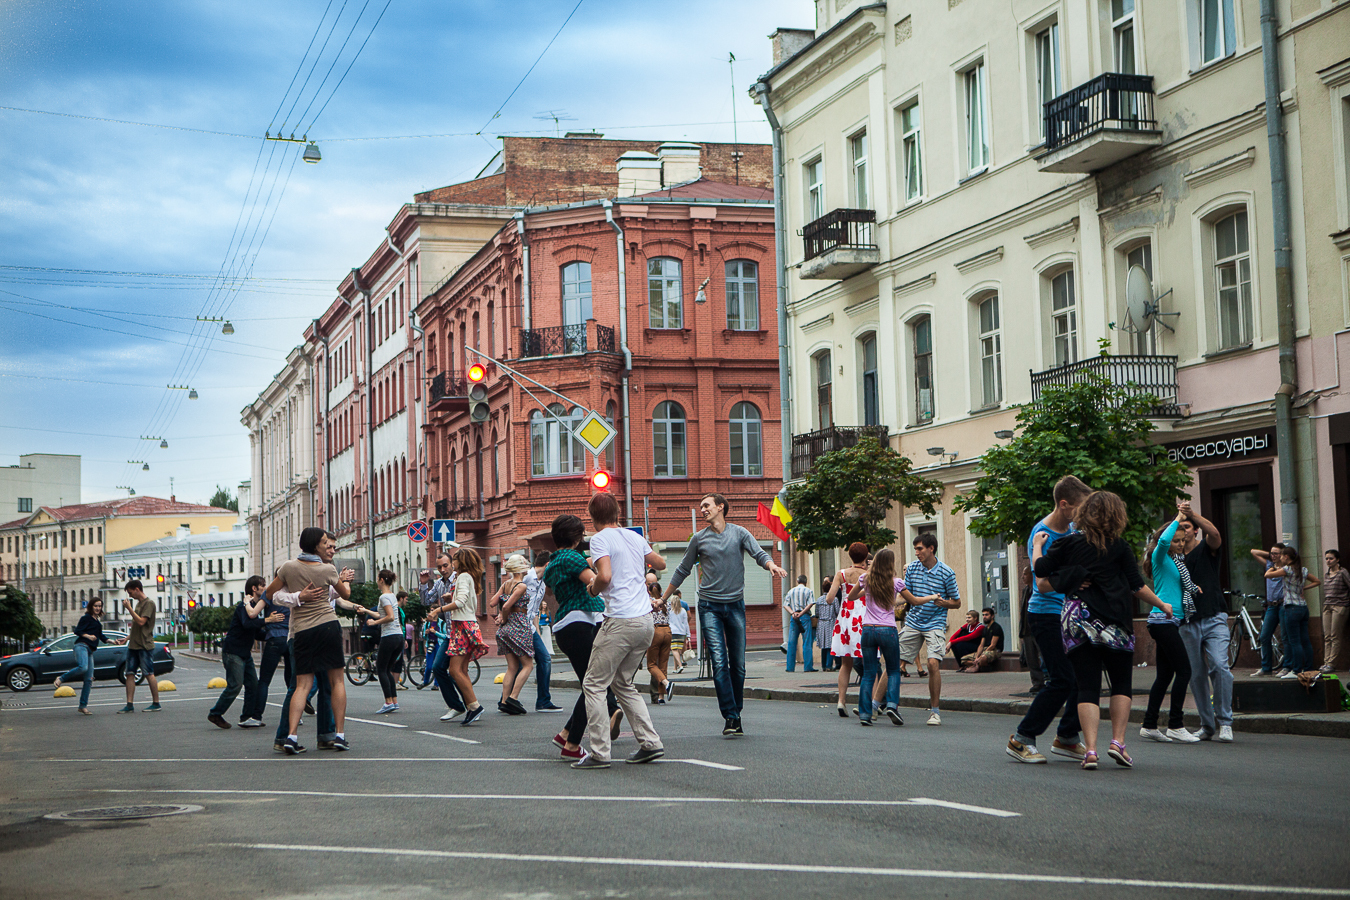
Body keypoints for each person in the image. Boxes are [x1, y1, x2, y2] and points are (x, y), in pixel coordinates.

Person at [1034, 491, 1172, 769]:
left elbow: (1040, 569)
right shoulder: (1120, 547)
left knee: (1087, 687)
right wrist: (1162, 604)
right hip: (1114, 621)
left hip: (1078, 621)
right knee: (1121, 684)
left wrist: (1038, 544)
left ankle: (1091, 751)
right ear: (1116, 516)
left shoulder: (1067, 543)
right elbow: (1136, 585)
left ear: (1084, 513)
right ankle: (1118, 742)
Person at [662, 493, 787, 737]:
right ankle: (731, 716)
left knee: (738, 665)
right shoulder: (699, 539)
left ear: (721, 507)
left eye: (706, 505)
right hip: (710, 607)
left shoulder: (739, 533)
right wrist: (663, 598)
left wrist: (771, 565)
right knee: (719, 661)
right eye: (701, 507)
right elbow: (682, 569)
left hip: (735, 606)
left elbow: (759, 553)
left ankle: (735, 712)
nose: (702, 510)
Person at [573, 491, 666, 769]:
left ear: (592, 517)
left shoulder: (600, 539)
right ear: (617, 513)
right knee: (623, 683)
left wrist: (593, 588)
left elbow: (604, 576)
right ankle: (651, 743)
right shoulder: (633, 537)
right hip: (644, 622)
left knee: (593, 684)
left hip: (620, 621)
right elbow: (660, 563)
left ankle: (600, 752)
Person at [1006, 475, 1093, 765]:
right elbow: (1041, 584)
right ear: (1064, 504)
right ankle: (1021, 739)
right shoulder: (1041, 534)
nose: (1083, 514)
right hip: (1045, 615)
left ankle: (1067, 737)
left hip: (1069, 614)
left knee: (1082, 677)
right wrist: (1070, 581)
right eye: (1080, 508)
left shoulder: (1072, 530)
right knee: (1061, 680)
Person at [264, 527, 358, 754]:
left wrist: (298, 596)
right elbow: (344, 595)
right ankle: (340, 735)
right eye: (325, 542)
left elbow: (269, 594)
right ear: (316, 545)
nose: (328, 546)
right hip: (327, 626)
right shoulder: (327, 569)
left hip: (302, 630)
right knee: (337, 681)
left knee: (302, 685)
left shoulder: (288, 567)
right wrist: (344, 581)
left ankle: (291, 736)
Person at [544, 514, 620, 761]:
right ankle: (577, 740)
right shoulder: (571, 558)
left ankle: (567, 733)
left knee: (590, 683)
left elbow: (579, 569)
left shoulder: (555, 561)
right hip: (581, 623)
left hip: (567, 625)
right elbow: (595, 581)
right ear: (577, 537)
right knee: (596, 683)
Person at [846, 548, 935, 726]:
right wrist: (933, 596)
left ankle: (865, 714)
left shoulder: (866, 579)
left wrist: (868, 591)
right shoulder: (896, 582)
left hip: (868, 630)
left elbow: (851, 596)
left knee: (869, 673)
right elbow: (914, 601)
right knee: (894, 669)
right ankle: (892, 706)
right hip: (887, 630)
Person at [1139, 510, 1200, 744]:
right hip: (1162, 621)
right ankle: (1175, 725)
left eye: (1183, 540)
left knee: (1164, 676)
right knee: (1185, 671)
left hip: (1170, 622)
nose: (1181, 544)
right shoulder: (1160, 556)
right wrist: (1178, 517)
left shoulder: (1176, 562)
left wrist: (1194, 588)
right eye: (1177, 540)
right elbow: (1164, 540)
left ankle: (1149, 725)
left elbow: (1181, 585)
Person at [1177, 501, 1234, 742]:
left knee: (1220, 666)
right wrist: (1178, 518)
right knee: (1196, 674)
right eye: (1182, 527)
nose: (1185, 530)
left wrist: (1192, 514)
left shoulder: (1206, 548)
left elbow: (1216, 533)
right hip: (1187, 622)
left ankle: (1225, 722)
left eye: (1188, 527)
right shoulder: (1173, 557)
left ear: (1195, 529)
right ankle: (1207, 725)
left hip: (1214, 616)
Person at [899, 533, 961, 726]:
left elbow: (957, 603)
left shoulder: (946, 572)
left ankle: (935, 712)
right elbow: (906, 595)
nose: (916, 552)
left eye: (920, 548)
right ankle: (876, 704)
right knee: (895, 661)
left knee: (933, 663)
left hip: (935, 622)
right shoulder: (912, 569)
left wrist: (944, 603)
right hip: (914, 621)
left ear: (931, 548)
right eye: (915, 549)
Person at [208, 577, 269, 728]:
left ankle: (246, 717)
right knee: (235, 685)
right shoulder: (244, 606)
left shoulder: (255, 606)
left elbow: (254, 632)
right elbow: (248, 624)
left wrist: (272, 635)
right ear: (254, 589)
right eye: (263, 586)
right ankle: (215, 713)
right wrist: (267, 621)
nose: (265, 588)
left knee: (253, 685)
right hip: (233, 652)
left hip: (244, 653)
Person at [443, 547, 491, 725]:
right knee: (461, 670)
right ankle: (472, 706)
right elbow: (464, 599)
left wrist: (439, 609)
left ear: (460, 561)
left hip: (462, 626)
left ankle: (475, 706)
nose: (452, 562)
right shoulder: (468, 577)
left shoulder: (463, 576)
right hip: (466, 624)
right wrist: (452, 597)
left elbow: (461, 602)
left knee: (455, 670)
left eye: (454, 559)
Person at [825, 543, 869, 715]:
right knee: (868, 663)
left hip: (845, 619)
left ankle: (841, 701)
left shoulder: (841, 574)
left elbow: (829, 599)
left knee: (845, 664)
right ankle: (866, 702)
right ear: (866, 557)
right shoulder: (869, 575)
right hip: (865, 618)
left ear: (850, 556)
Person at [54, 597, 116, 713]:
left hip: (90, 650)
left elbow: (101, 636)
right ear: (91, 606)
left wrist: (113, 641)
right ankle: (61, 678)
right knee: (83, 667)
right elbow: (77, 631)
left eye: (99, 606)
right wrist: (88, 636)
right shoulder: (86, 618)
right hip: (81, 646)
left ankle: (82, 706)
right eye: (96, 606)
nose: (98, 608)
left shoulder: (97, 621)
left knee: (89, 679)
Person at [491, 555, 536, 715]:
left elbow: (492, 602)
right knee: (528, 664)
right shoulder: (521, 586)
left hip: (504, 631)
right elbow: (506, 606)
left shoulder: (505, 584)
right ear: (521, 568)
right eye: (525, 564)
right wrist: (503, 616)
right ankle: (513, 698)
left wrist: (503, 618)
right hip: (518, 625)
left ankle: (504, 701)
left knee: (512, 666)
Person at [424, 554, 466, 721]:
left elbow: (465, 600)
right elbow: (426, 600)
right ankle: (458, 705)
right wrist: (424, 583)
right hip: (450, 634)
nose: (443, 570)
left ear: (452, 565)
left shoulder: (460, 579)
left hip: (462, 631)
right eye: (440, 567)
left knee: (458, 672)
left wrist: (448, 602)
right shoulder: (440, 583)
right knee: (439, 668)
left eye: (445, 565)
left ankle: (472, 706)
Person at [1267, 545, 1319, 678]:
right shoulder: (1303, 570)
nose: (1280, 558)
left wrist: (1274, 566)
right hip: (1303, 607)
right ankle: (1308, 668)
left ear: (1286, 557)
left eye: (1282, 556)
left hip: (1291, 608)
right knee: (1305, 640)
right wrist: (1304, 589)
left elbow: (1267, 574)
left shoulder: (1286, 570)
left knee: (1294, 641)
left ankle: (1296, 670)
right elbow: (1317, 581)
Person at [358, 569, 403, 713]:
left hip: (389, 636)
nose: (377, 581)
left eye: (378, 578)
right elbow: (381, 614)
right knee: (387, 669)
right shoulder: (391, 596)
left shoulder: (384, 597)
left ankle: (388, 701)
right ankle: (394, 701)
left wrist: (374, 624)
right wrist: (366, 611)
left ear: (381, 580)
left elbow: (389, 617)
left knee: (381, 669)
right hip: (398, 637)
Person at [524, 551, 562, 711]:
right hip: (519, 624)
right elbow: (508, 592)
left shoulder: (543, 582)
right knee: (523, 664)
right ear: (547, 565)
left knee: (540, 659)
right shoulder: (527, 576)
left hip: (530, 626)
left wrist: (537, 633)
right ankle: (542, 701)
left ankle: (542, 701)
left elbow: (534, 610)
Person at [119, 579, 162, 713]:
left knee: (149, 673)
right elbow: (136, 626)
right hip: (133, 645)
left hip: (144, 645)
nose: (130, 595)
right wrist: (127, 638)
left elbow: (142, 622)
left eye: (131, 592)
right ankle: (129, 704)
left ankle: (156, 703)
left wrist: (129, 608)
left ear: (137, 589)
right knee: (130, 674)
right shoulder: (138, 604)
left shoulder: (149, 604)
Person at [252, 583, 292, 721]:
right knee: (292, 682)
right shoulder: (295, 593)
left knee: (264, 680)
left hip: (275, 638)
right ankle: (295, 716)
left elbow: (253, 614)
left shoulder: (270, 593)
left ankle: (256, 716)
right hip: (291, 639)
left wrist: (247, 603)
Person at [1248, 544, 1286, 676]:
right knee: (1264, 636)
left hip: (1282, 604)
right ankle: (1266, 668)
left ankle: (1287, 667)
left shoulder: (1286, 568)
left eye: (1276, 553)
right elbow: (1254, 551)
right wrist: (1271, 555)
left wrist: (1280, 555)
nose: (1273, 556)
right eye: (1272, 553)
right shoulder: (1269, 565)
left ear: (1283, 554)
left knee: (1285, 636)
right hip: (1271, 606)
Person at [1016, 565, 1045, 694]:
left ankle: (1049, 679)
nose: (1022, 577)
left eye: (1025, 574)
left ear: (1032, 576)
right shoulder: (1025, 590)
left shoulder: (1038, 590)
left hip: (1038, 628)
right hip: (1027, 630)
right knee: (1031, 659)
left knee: (1044, 656)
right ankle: (1037, 683)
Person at [646, 579, 675, 703]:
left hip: (656, 630)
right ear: (661, 590)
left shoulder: (649, 602)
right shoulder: (666, 603)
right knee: (663, 664)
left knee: (651, 664)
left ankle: (667, 684)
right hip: (667, 631)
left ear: (649, 591)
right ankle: (661, 696)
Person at [1322, 550, 1349, 673]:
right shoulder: (1326, 575)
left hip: (1340, 605)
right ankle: (1326, 661)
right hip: (1327, 606)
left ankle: (1332, 663)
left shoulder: (1342, 572)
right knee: (1327, 636)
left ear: (1337, 559)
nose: (1328, 561)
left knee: (1335, 635)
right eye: (1327, 558)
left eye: (1331, 558)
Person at [783, 575, 815, 673]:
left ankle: (790, 667)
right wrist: (801, 613)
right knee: (807, 642)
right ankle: (808, 667)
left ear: (797, 581)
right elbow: (811, 603)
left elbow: (785, 605)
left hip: (794, 617)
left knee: (792, 643)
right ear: (806, 581)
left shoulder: (791, 591)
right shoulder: (808, 591)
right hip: (804, 617)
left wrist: (793, 613)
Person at [814, 577, 838, 672]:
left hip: (821, 624)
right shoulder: (834, 599)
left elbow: (816, 613)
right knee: (830, 645)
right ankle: (829, 665)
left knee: (823, 646)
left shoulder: (819, 600)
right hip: (830, 623)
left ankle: (823, 665)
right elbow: (837, 611)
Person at [669, 590, 690, 673]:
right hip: (681, 632)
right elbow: (686, 623)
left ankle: (680, 666)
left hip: (673, 632)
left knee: (674, 650)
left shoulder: (670, 612)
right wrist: (688, 635)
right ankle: (675, 668)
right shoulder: (683, 611)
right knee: (678, 651)